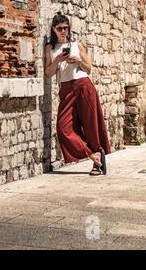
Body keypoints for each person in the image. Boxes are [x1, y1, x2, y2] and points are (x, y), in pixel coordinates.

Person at [44, 13, 111, 176]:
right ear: (53, 29)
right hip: (66, 90)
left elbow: (88, 68)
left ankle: (97, 164)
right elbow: (48, 73)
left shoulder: (76, 45)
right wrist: (58, 60)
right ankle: (93, 154)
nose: (63, 31)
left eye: (66, 28)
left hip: (83, 85)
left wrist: (78, 60)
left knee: (90, 125)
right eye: (59, 28)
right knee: (63, 128)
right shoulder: (49, 48)